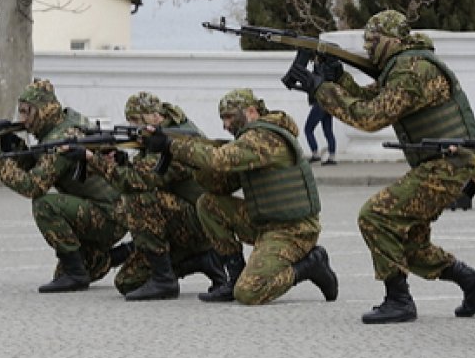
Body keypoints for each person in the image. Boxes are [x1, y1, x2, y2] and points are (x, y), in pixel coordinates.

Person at [282, 9, 475, 324]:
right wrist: (337, 78)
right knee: (409, 242)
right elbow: (369, 98)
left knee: (376, 216)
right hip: (443, 163)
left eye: (373, 40)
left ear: (393, 40)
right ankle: (473, 282)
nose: (368, 47)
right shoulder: (406, 66)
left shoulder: (411, 70)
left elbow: (370, 118)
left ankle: (398, 300)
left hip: (447, 163)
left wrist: (321, 90)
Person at [142, 88, 338, 305]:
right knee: (208, 204)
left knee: (249, 292)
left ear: (251, 112)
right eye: (223, 119)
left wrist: (172, 145)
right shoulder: (248, 142)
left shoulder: (264, 137)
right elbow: (222, 186)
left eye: (229, 117)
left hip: (293, 231)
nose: (225, 125)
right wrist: (192, 161)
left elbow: (219, 159)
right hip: (264, 223)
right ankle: (233, 276)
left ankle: (310, 265)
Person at [68, 91, 227, 301]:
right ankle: (202, 261)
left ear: (155, 116)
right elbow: (148, 172)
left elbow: (138, 181)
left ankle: (164, 280)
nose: (133, 126)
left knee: (137, 198)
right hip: (180, 223)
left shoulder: (177, 141)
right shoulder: (159, 137)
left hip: (200, 224)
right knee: (127, 281)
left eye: (136, 120)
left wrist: (93, 160)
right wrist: (121, 160)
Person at [0, 79, 127, 293]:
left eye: (27, 113)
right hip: (111, 211)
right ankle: (123, 254)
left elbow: (33, 186)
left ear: (43, 111)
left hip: (109, 215)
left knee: (45, 205)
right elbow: (42, 165)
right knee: (68, 271)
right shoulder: (65, 124)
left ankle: (76, 276)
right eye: (21, 113)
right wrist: (13, 147)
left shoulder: (61, 139)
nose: (23, 120)